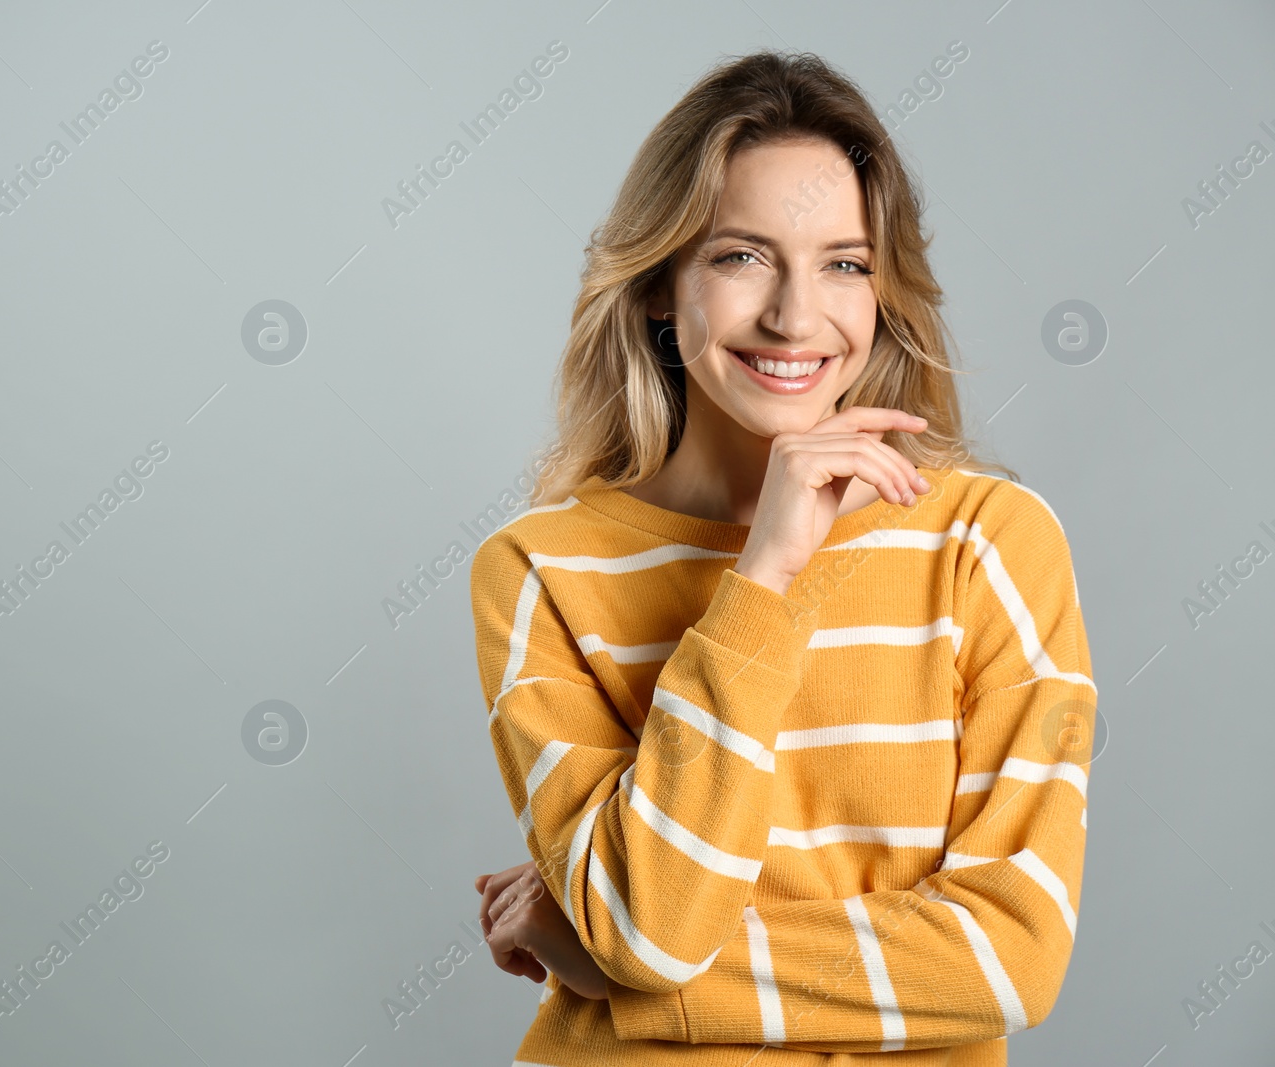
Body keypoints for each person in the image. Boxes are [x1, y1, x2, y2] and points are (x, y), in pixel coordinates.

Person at [467, 49, 1096, 1065]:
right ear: (661, 288)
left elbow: (1006, 957)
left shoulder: (989, 541)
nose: (795, 316)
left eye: (843, 263)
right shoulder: (536, 568)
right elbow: (654, 923)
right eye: (740, 256)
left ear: (882, 291)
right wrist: (762, 578)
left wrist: (611, 974)